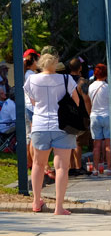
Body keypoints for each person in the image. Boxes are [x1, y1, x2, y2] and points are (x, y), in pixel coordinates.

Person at [23, 53, 80, 214]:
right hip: (61, 126)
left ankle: (36, 201)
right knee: (62, 167)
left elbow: (33, 102)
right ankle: (59, 207)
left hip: (40, 125)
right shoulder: (66, 79)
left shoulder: (32, 79)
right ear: (56, 64)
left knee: (38, 165)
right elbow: (76, 101)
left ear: (41, 63)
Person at [87, 63, 111, 176]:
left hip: (94, 115)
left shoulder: (91, 87)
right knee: (108, 145)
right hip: (107, 115)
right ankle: (109, 168)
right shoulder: (107, 87)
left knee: (96, 145)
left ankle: (95, 169)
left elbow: (89, 101)